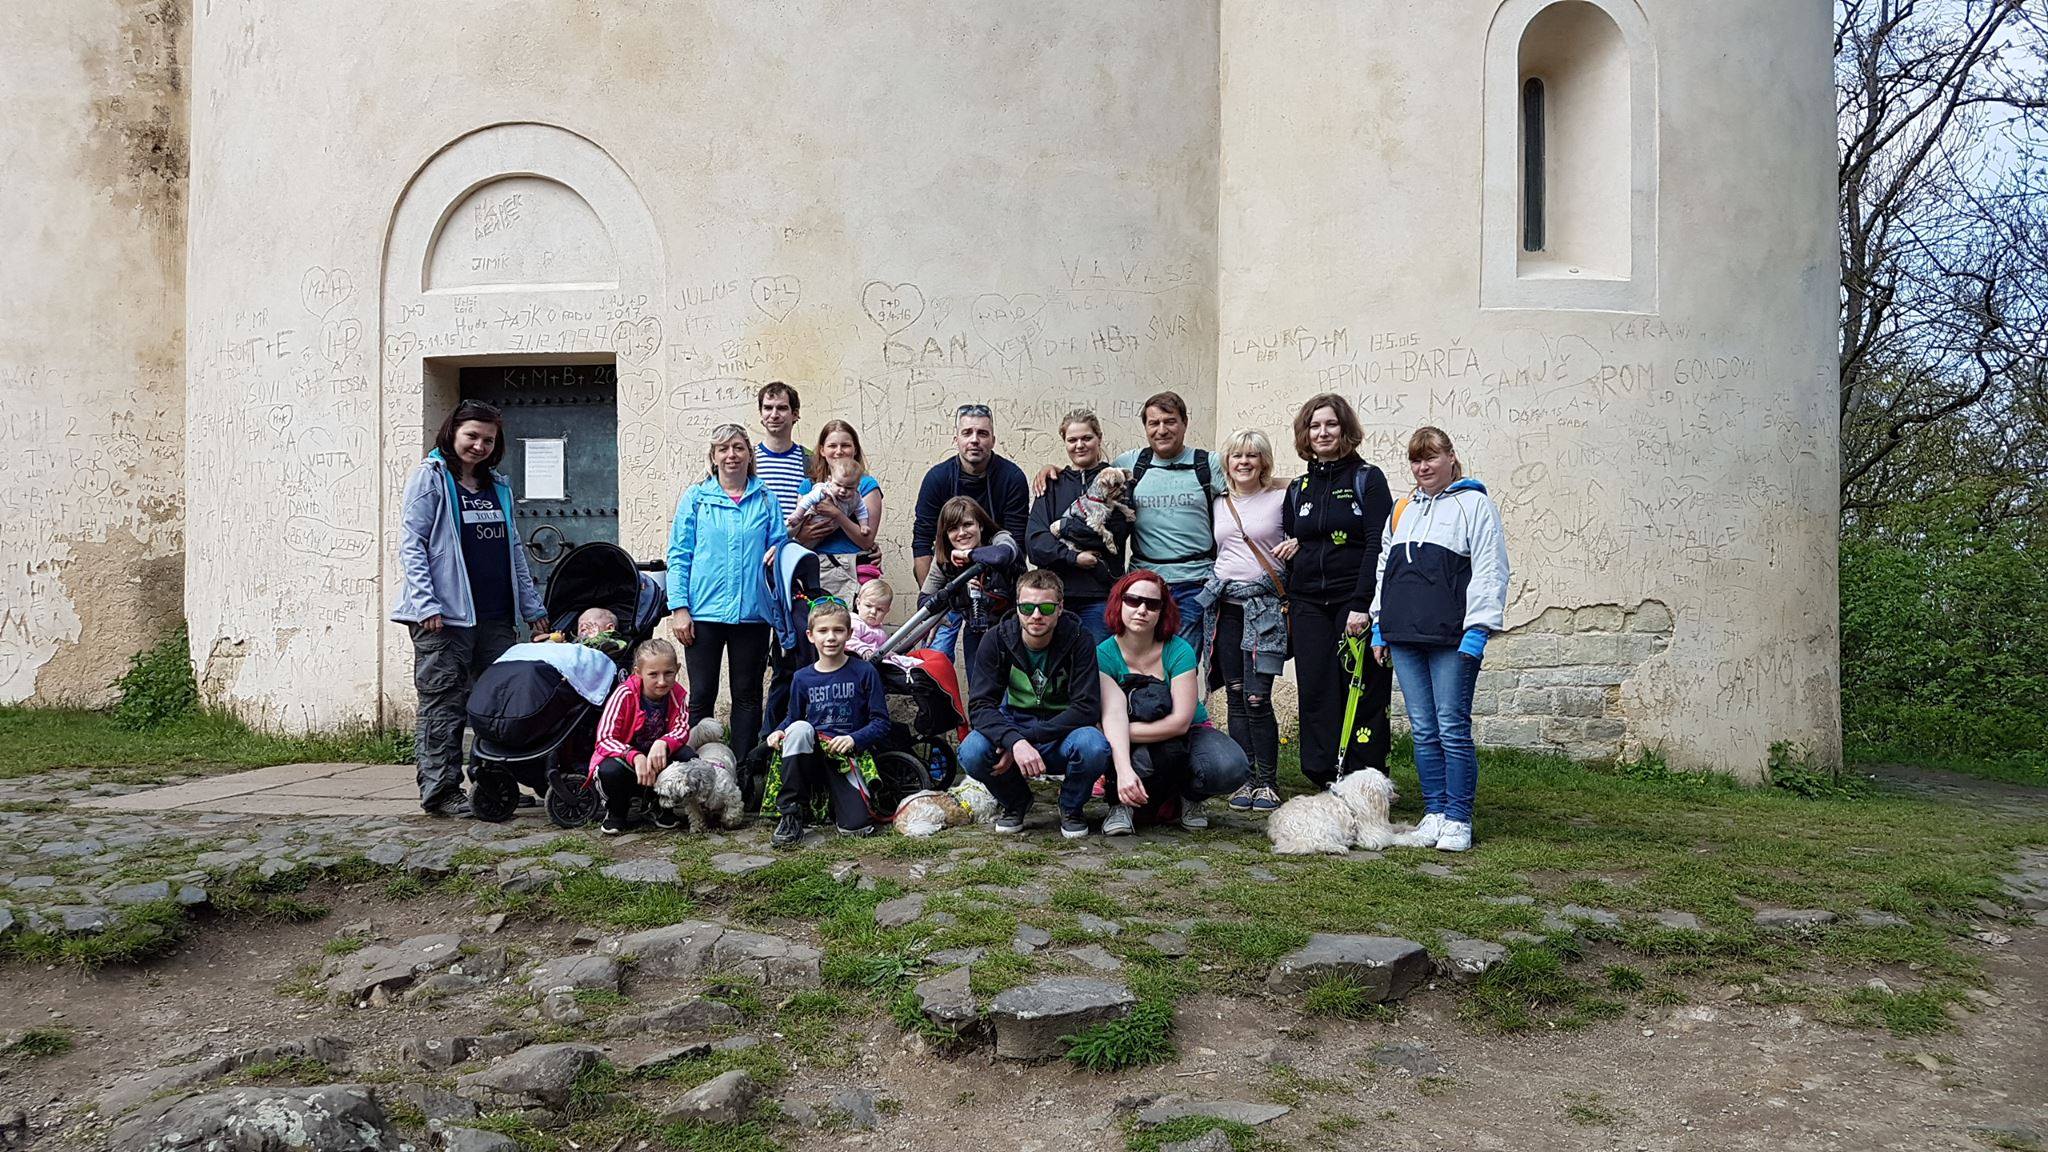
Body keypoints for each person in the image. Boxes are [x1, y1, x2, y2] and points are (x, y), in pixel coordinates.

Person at [393, 399, 548, 818]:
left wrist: (532, 607)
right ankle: (441, 791)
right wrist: (425, 601)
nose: (479, 446)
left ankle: (492, 785)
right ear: (453, 433)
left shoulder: (497, 487)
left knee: (496, 704)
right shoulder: (431, 478)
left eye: (488, 440)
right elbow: (412, 544)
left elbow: (513, 549)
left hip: (494, 616)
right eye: (472, 436)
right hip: (443, 618)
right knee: (443, 704)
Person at [1371, 426, 1509, 853]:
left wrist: (1479, 630)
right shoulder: (1402, 509)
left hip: (1452, 638)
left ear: (1451, 457)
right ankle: (1434, 812)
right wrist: (1379, 624)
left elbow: (1491, 568)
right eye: (1416, 460)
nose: (1423, 467)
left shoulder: (1474, 505)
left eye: (1431, 457)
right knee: (1423, 729)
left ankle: (1458, 817)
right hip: (1404, 635)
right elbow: (1385, 568)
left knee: (1452, 728)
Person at [1279, 394, 1395, 787]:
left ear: (1345, 429)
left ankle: (1368, 777)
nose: (1323, 432)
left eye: (1330, 424)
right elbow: (1294, 540)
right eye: (1314, 426)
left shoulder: (1367, 479)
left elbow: (1379, 542)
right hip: (1308, 602)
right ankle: (1324, 774)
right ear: (1305, 434)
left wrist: (1362, 603)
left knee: (1362, 689)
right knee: (1316, 687)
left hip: (1353, 600)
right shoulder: (1299, 488)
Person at [959, 570, 1112, 838]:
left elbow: (1086, 707)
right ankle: (1016, 802)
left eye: (1046, 608)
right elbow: (980, 706)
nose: (1036, 615)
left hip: (1063, 731)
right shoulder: (996, 639)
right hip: (1015, 721)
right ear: (1017, 607)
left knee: (1094, 746)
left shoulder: (1080, 638)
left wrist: (1022, 740)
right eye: (1027, 607)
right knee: (971, 750)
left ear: (1060, 608)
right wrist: (1013, 741)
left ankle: (1071, 807)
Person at [668, 423, 788, 761]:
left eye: (738, 448)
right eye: (723, 449)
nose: (731, 455)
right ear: (714, 456)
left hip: (752, 614)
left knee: (747, 696)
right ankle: (695, 770)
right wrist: (679, 607)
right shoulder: (697, 498)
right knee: (702, 695)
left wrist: (780, 550)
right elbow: (679, 555)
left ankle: (742, 774)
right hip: (702, 614)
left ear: (749, 454)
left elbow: (779, 547)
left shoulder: (765, 498)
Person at [1098, 569, 1250, 836]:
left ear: (1162, 611)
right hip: (1131, 736)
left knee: (1231, 767)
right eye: (1133, 600)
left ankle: (1189, 795)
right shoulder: (1103, 655)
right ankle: (1120, 804)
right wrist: (1115, 737)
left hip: (1187, 731)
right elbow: (1103, 718)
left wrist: (1119, 733)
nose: (1142, 610)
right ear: (1118, 603)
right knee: (1100, 747)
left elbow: (1180, 723)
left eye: (1152, 604)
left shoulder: (1179, 650)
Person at [1198, 430, 1291, 813]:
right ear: (1227, 462)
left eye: (1252, 455)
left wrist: (1297, 543)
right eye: (1237, 455)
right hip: (1226, 608)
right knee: (1236, 694)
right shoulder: (1218, 502)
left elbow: (1303, 516)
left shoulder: (1282, 498)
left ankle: (1267, 781)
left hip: (1264, 609)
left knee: (1257, 696)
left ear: (1263, 461)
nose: (1244, 462)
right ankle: (1244, 779)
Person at [766, 601, 892, 847]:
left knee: (856, 827)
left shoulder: (865, 672)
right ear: (810, 636)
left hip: (846, 756)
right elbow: (793, 717)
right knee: (799, 729)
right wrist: (779, 731)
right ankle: (791, 813)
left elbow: (881, 722)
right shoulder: (802, 678)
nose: (831, 637)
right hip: (811, 755)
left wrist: (854, 738)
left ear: (849, 633)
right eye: (823, 631)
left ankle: (836, 803)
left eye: (838, 630)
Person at [912, 404, 1030, 661]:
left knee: (990, 662)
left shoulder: (1011, 478)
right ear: (956, 439)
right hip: (951, 584)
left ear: (993, 440)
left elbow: (1016, 547)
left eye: (982, 433)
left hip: (998, 588)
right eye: (967, 433)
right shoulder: (937, 478)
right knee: (933, 656)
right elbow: (922, 541)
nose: (974, 440)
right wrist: (934, 605)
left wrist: (975, 561)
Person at [1112, 391, 1217, 648]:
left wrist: (1293, 485)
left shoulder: (1209, 464)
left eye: (1170, 421)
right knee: (1141, 659)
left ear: (1184, 423)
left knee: (1181, 660)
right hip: (1144, 583)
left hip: (1195, 583)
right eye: (1154, 423)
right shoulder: (1130, 463)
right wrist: (1054, 470)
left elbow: (1256, 483)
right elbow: (1091, 481)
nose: (1162, 430)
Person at [1027, 409, 1130, 647]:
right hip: (1054, 598)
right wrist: (1073, 557)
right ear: (1064, 442)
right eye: (1072, 440)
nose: (1080, 445)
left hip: (1100, 597)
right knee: (1058, 666)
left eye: (1087, 438)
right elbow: (1035, 544)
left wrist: (1062, 527)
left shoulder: (1115, 480)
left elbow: (1116, 532)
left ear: (1099, 438)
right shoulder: (1052, 485)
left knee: (1097, 663)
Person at [589, 639, 693, 835]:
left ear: (678, 669)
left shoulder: (678, 694)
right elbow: (604, 738)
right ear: (638, 672)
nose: (662, 681)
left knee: (688, 758)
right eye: (653, 674)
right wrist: (633, 755)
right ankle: (616, 811)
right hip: (627, 761)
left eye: (668, 673)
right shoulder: (624, 694)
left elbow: (682, 728)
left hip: (658, 760)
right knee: (609, 769)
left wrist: (664, 742)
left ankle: (660, 805)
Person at [918, 496, 1023, 675]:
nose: (961, 533)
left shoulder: (1000, 539)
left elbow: (1001, 556)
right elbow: (923, 601)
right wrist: (959, 594)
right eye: (953, 529)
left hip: (1014, 626)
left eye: (967, 525)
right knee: (977, 686)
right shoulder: (944, 559)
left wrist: (969, 554)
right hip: (976, 628)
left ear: (980, 525)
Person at [790, 419, 885, 599]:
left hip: (853, 569)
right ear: (822, 450)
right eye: (832, 445)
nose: (839, 451)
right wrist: (803, 536)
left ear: (855, 449)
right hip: (816, 570)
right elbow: (799, 532)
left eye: (845, 445)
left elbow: (866, 541)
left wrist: (836, 514)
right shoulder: (809, 486)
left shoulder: (866, 485)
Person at [753, 381, 809, 519]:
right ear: (761, 413)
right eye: (768, 408)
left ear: (795, 414)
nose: (774, 415)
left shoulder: (810, 460)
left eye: (782, 408)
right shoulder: (748, 459)